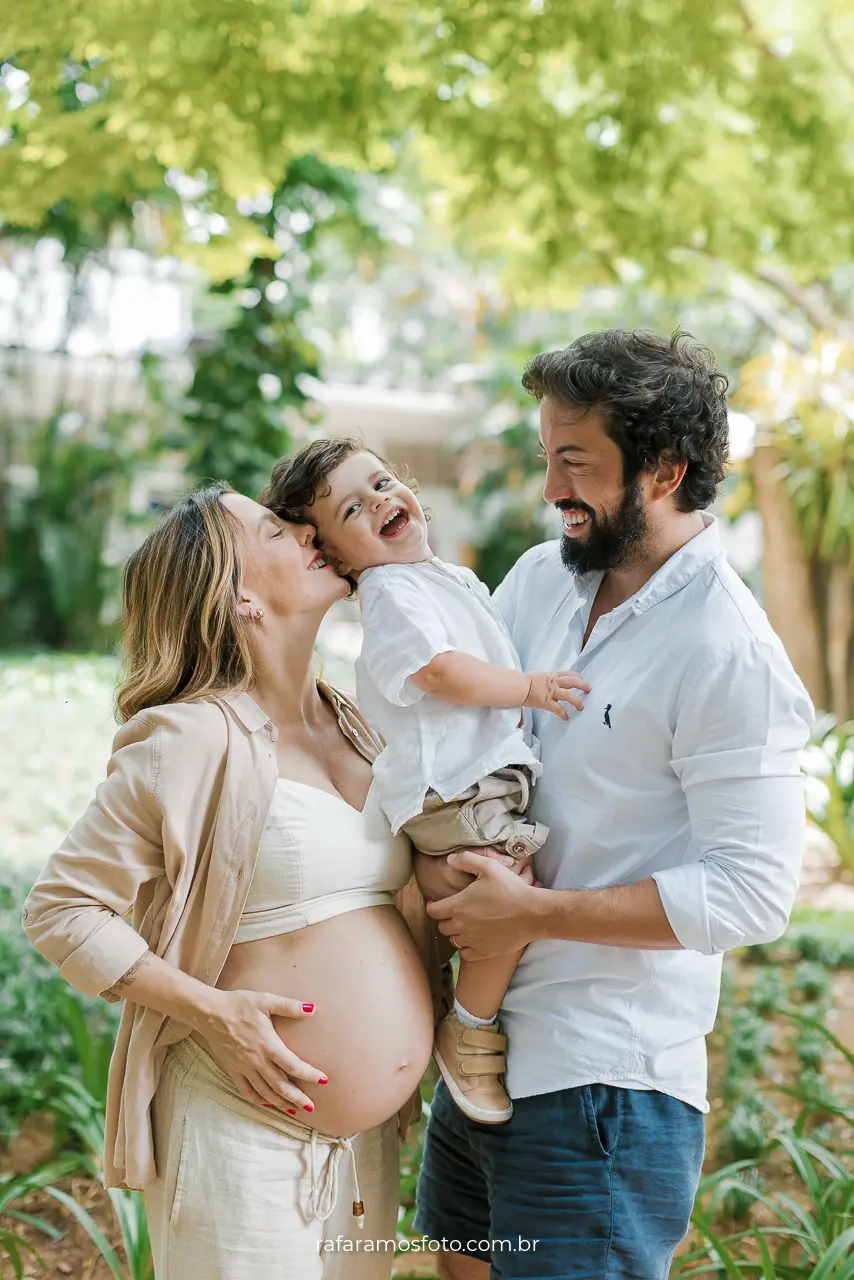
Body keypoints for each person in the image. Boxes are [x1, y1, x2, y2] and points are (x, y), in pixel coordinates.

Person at [411, 330, 814, 1279]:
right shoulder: (542, 579)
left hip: (601, 1092)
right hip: (477, 1057)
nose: (553, 487)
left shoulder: (729, 651)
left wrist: (532, 914)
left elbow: (753, 894)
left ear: (666, 470)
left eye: (577, 462)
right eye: (548, 456)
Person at [22, 484, 441, 1280]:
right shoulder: (188, 734)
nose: (310, 532)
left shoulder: (353, 722)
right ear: (238, 594)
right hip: (235, 1124)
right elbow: (64, 909)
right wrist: (216, 1013)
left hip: (361, 1148)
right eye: (276, 530)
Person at [261, 442, 588, 1126]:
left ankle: (449, 1002)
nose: (380, 500)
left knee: (499, 896)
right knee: (508, 900)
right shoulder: (390, 594)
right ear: (337, 558)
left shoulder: (442, 578)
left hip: (476, 780)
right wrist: (529, 688)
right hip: (455, 789)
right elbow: (437, 672)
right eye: (354, 507)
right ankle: (469, 1028)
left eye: (380, 482)